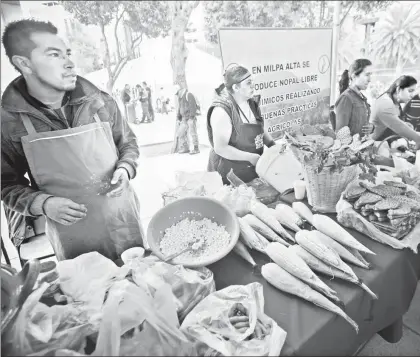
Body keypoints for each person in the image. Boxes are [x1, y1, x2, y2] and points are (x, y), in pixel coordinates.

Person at [1, 19, 145, 261]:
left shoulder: (100, 101)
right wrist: (44, 204)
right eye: (54, 55)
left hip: (123, 220)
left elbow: (128, 144)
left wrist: (125, 168)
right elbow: (6, 184)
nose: (69, 63)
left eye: (67, 53)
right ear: (24, 63)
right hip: (73, 236)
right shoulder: (8, 122)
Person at [207, 64, 276, 184]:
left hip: (250, 170)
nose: (253, 85)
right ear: (236, 87)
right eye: (249, 82)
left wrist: (272, 145)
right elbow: (221, 148)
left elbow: (258, 128)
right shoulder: (222, 111)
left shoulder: (251, 103)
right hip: (228, 175)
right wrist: (250, 157)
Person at [370, 75, 420, 149]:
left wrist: (406, 125)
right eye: (410, 91)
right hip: (376, 147)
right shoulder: (385, 102)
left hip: (389, 146)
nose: (412, 95)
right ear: (398, 89)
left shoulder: (396, 103)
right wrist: (417, 138)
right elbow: (397, 125)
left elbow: (394, 123)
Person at [334, 59, 374, 136]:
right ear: (354, 76)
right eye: (367, 75)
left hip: (363, 145)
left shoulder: (361, 97)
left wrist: (372, 128)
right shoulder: (346, 99)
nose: (370, 80)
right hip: (351, 147)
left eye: (370, 75)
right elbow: (340, 135)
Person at [172, 84, 200, 155]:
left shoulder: (189, 95)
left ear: (180, 90)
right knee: (180, 133)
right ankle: (185, 148)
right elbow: (179, 108)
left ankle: (196, 148)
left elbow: (192, 107)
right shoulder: (180, 98)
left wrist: (191, 118)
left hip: (190, 118)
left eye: (177, 93)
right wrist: (178, 118)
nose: (177, 95)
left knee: (193, 133)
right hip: (184, 118)